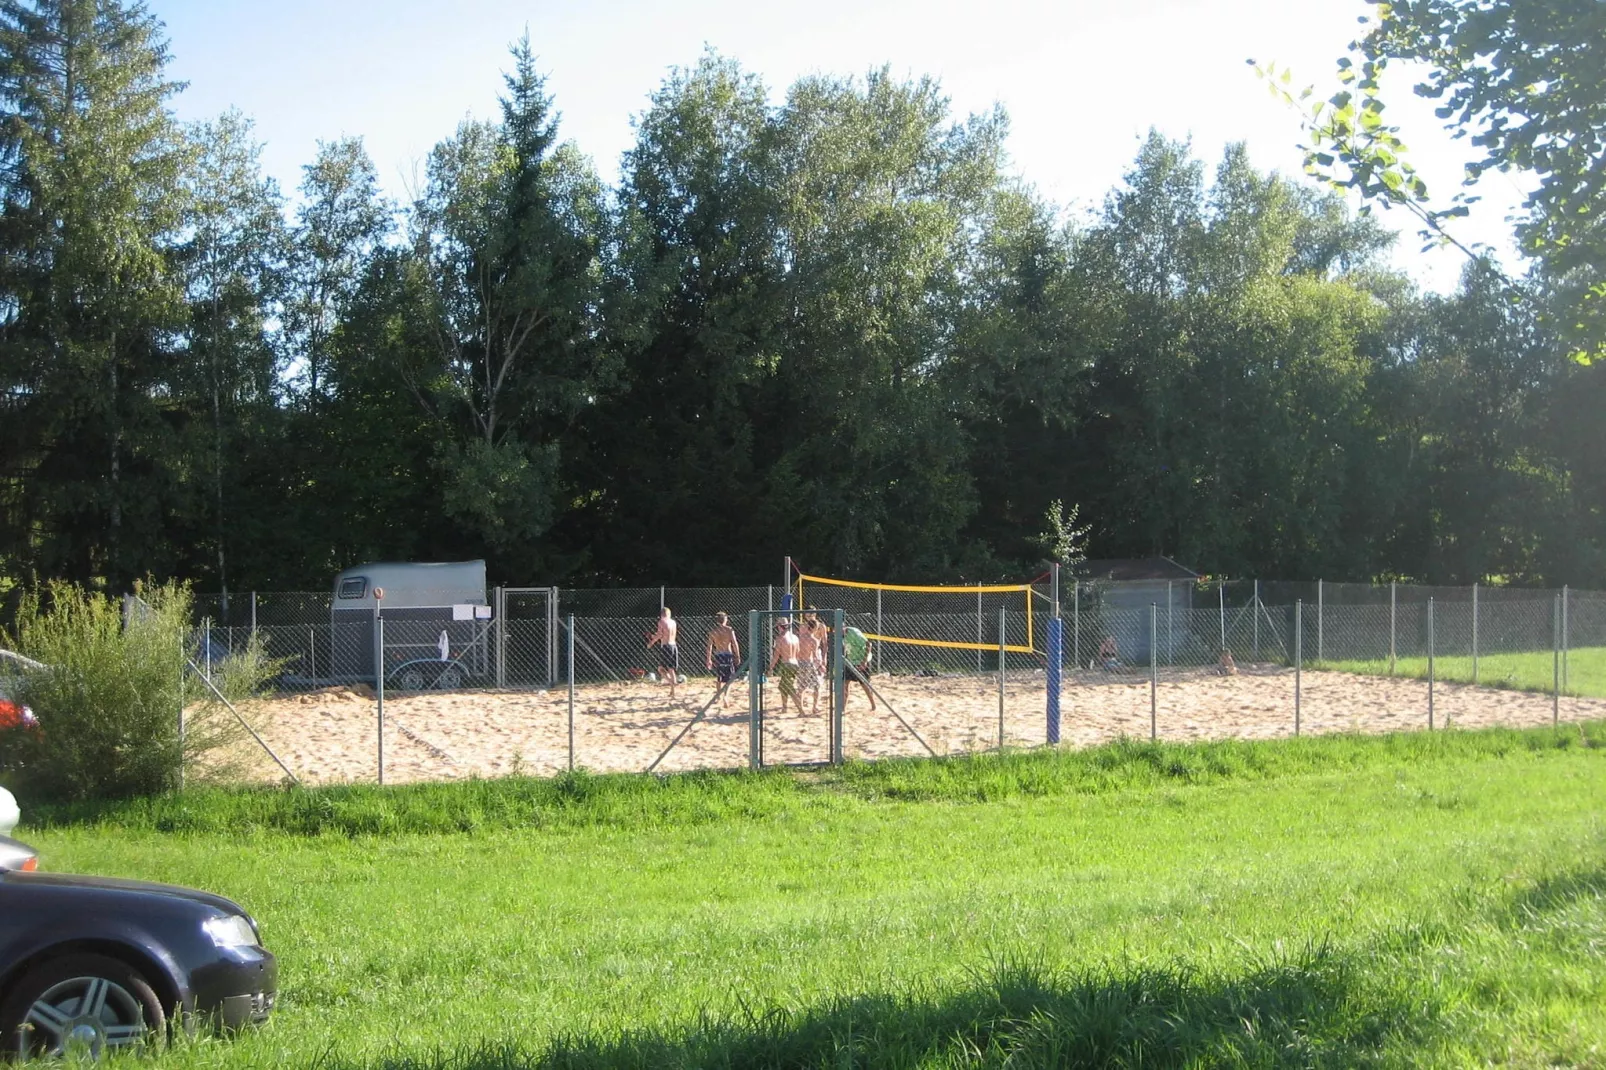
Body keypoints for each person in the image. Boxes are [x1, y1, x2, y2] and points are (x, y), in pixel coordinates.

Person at [705, 612, 741, 708]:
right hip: (728, 655)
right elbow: (734, 643)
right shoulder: (729, 630)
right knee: (729, 678)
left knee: (719, 677)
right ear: (725, 620)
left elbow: (709, 647)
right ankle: (726, 696)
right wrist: (737, 655)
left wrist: (708, 659)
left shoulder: (713, 632)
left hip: (718, 655)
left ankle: (718, 695)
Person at [768, 618, 801, 715]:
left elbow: (776, 655)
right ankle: (784, 708)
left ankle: (801, 710)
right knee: (782, 687)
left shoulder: (780, 638)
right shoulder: (795, 637)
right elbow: (798, 652)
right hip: (795, 663)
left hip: (786, 664)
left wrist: (771, 668)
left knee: (790, 688)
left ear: (779, 627)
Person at [796, 609, 826, 715]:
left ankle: (801, 711)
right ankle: (814, 707)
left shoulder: (799, 638)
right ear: (814, 628)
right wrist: (821, 665)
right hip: (809, 663)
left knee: (801, 687)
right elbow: (814, 656)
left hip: (800, 662)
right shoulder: (814, 640)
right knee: (817, 686)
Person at [646, 606, 680, 699]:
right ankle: (673, 691)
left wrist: (651, 643)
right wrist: (655, 636)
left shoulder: (662, 621)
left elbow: (660, 634)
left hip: (666, 646)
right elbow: (666, 634)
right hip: (674, 646)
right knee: (671, 669)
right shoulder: (673, 622)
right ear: (669, 614)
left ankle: (671, 682)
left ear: (661, 614)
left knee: (660, 669)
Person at [842, 624, 876, 710]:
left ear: (843, 627)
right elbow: (847, 648)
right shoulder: (839, 636)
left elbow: (869, 644)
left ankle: (873, 705)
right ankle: (843, 707)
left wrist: (864, 662)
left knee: (864, 684)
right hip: (850, 662)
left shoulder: (854, 632)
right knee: (844, 684)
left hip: (861, 661)